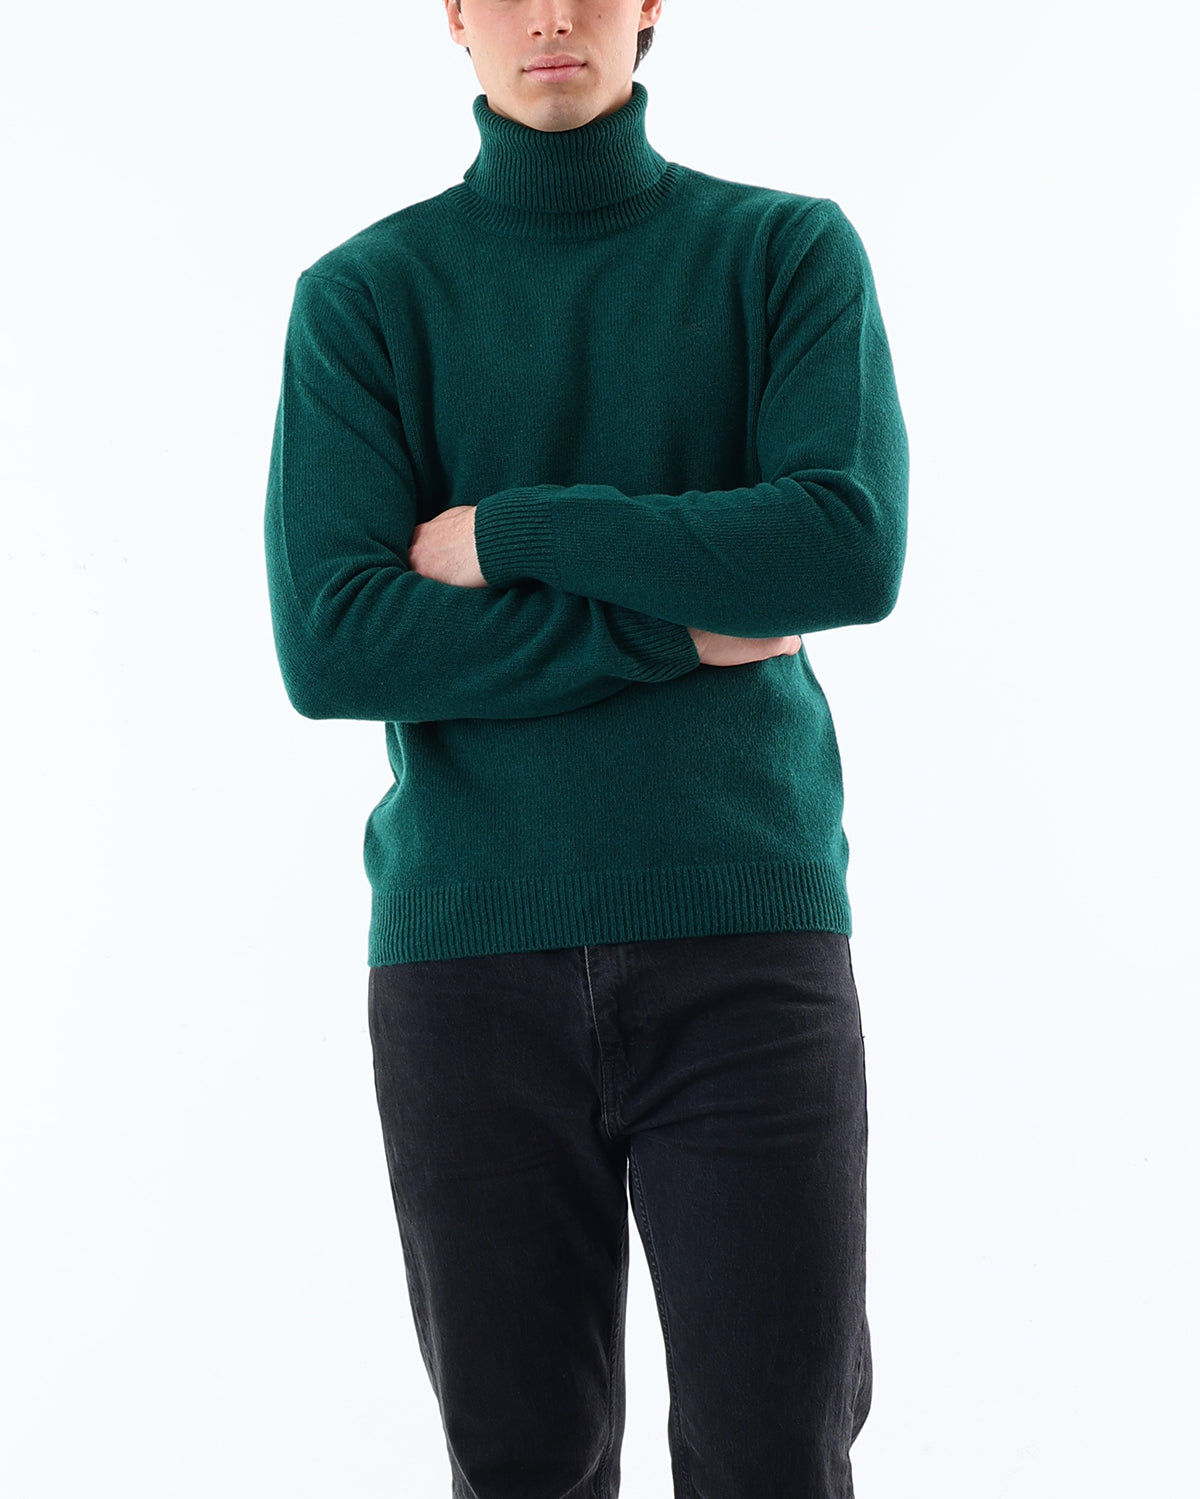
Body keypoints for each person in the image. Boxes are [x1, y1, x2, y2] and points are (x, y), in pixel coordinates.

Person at [263, 0, 908, 1493]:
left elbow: (844, 548)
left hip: (744, 944)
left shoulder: (784, 253)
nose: (551, 16)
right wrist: (679, 626)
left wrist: (519, 529)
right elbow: (338, 642)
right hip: (468, 963)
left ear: (652, 5)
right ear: (453, 14)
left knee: (775, 1458)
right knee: (523, 1468)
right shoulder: (364, 298)